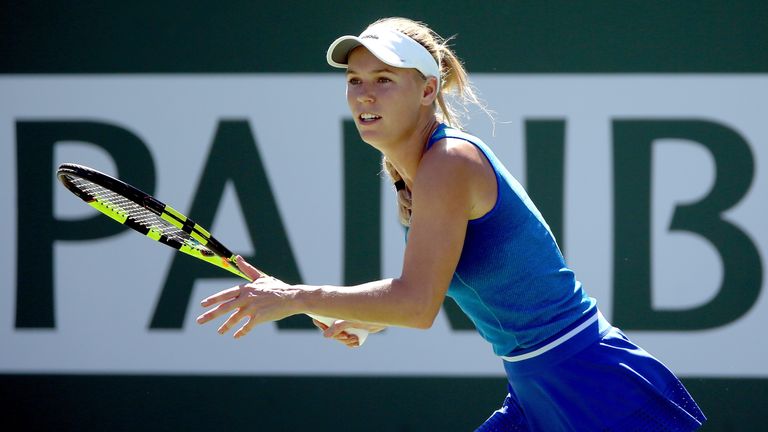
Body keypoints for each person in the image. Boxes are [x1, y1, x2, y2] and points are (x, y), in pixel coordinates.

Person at [196, 17, 707, 431]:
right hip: (538, 384)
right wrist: (365, 319)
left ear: (427, 91)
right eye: (354, 81)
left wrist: (296, 298)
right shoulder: (414, 173)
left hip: (592, 384)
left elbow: (417, 304)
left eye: (383, 80)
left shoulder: (448, 163)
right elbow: (432, 289)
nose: (364, 96)